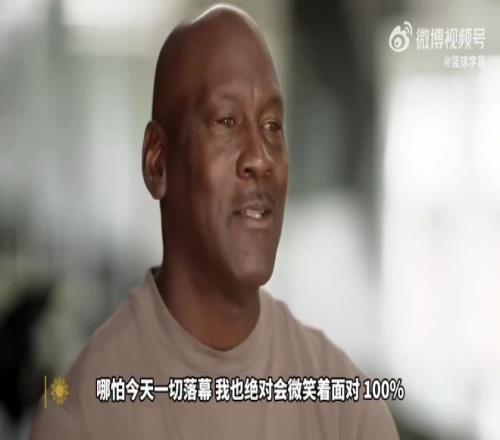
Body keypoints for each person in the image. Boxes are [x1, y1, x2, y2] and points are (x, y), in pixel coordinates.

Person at [30, 4, 399, 439]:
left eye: (273, 125)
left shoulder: (349, 415)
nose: (260, 158)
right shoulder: (81, 420)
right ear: (157, 162)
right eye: (226, 121)